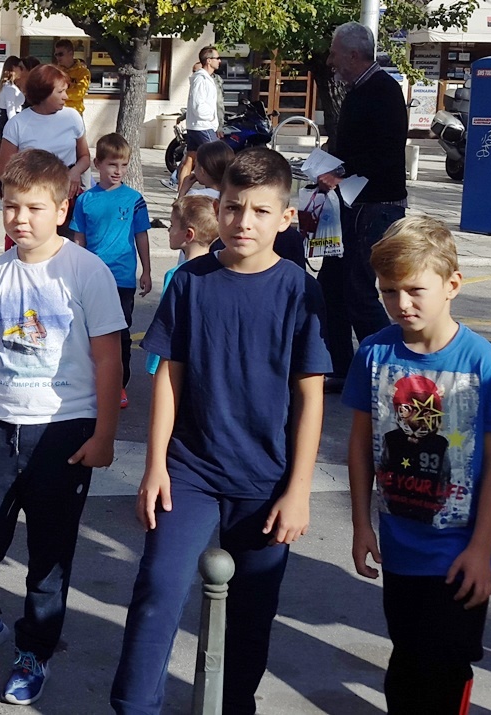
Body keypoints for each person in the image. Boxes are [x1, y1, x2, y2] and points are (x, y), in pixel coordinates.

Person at [111, 148, 331, 715]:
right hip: (190, 471)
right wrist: (155, 466)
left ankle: (234, 706)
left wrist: (299, 490)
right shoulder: (191, 281)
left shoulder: (299, 290)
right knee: (158, 588)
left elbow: (310, 397)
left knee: (253, 612)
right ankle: (134, 705)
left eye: (260, 211)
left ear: (286, 217)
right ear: (218, 207)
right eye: (233, 207)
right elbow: (168, 377)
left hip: (266, 479)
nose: (243, 222)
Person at [0, 149, 125, 707]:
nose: (20, 218)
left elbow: (109, 359)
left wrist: (104, 435)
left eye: (34, 208)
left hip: (62, 432)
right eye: (11, 207)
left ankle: (34, 648)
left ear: (61, 210)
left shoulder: (86, 272)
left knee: (48, 554)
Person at [343, 217, 491, 715]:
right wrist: (361, 525)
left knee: (444, 666)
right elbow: (359, 446)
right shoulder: (374, 352)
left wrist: (481, 549)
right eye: (388, 291)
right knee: (407, 660)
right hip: (401, 546)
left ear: (452, 285)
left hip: (462, 550)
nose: (401, 303)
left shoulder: (482, 362)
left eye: (415, 290)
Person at [319, 21, 409, 392]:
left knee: (359, 290)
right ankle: (341, 368)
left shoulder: (383, 90)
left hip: (376, 207)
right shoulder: (357, 90)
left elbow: (385, 153)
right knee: (331, 287)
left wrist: (341, 171)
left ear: (354, 55)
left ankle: (392, 371)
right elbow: (354, 145)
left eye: (335, 54)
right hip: (352, 203)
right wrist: (326, 163)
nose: (330, 62)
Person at [69, 133, 151, 408]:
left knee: (121, 333)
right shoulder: (85, 200)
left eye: (124, 165)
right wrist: (75, 271)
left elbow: (141, 235)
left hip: (122, 278)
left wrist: (146, 270)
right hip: (92, 277)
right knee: (88, 330)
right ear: (97, 164)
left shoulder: (134, 199)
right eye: (112, 164)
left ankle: (118, 384)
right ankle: (90, 379)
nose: (118, 171)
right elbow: (78, 239)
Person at [0, 64, 90, 240]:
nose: (66, 97)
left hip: (66, 200)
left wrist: (75, 172)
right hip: (33, 204)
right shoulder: (18, 124)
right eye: (60, 92)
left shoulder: (73, 117)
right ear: (44, 92)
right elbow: (4, 172)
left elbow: (85, 157)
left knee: (68, 249)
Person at [145, 194, 218, 378]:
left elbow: (166, 325)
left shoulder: (177, 275)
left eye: (172, 225)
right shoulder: (217, 272)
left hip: (171, 363)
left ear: (188, 234)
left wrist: (154, 367)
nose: (168, 230)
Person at [171, 47, 222, 196]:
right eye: (217, 58)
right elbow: (198, 105)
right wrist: (211, 117)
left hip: (197, 126)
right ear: (209, 60)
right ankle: (213, 192)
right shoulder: (201, 79)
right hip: (202, 126)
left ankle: (181, 195)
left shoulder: (205, 78)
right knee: (216, 158)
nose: (219, 61)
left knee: (189, 159)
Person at [53, 40, 90, 116]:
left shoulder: (83, 72)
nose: (58, 57)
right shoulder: (56, 70)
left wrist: (59, 94)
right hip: (57, 111)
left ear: (71, 53)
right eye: (56, 55)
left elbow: (79, 93)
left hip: (75, 113)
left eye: (60, 54)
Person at [0, 56, 25, 140]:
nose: (22, 70)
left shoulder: (8, 86)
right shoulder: (9, 88)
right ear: (14, 68)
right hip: (8, 121)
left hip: (5, 120)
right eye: (21, 67)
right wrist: (15, 129)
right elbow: (10, 110)